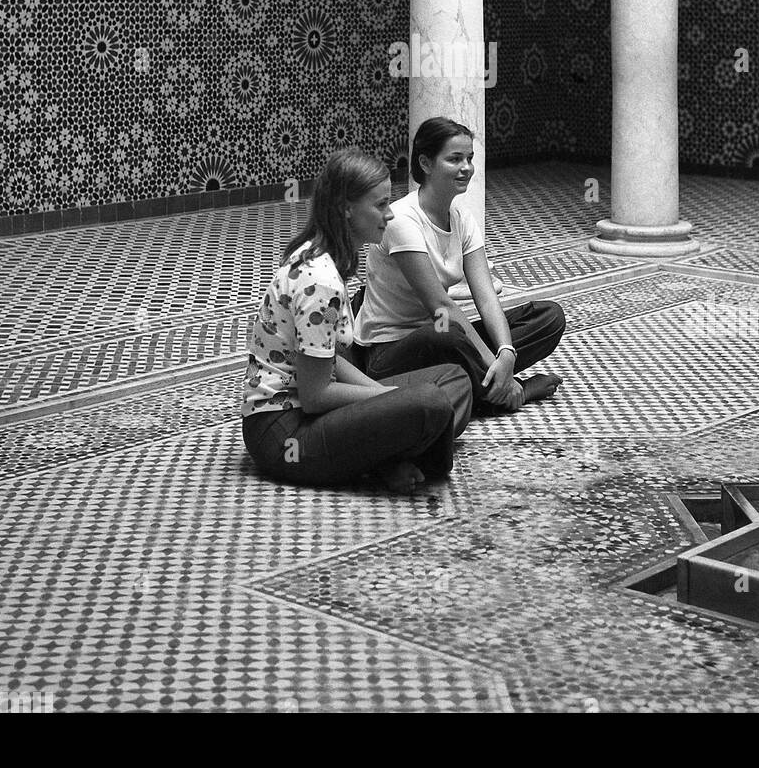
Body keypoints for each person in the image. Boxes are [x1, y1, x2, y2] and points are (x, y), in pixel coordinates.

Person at [241, 148, 472, 493]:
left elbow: (329, 360)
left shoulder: (325, 260)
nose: (390, 214)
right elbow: (316, 395)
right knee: (431, 403)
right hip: (284, 431)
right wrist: (389, 399)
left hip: (310, 412)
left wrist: (386, 398)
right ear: (346, 209)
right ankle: (387, 457)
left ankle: (385, 452)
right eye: (380, 205)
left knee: (455, 379)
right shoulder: (318, 280)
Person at [355, 117, 565, 414]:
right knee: (448, 332)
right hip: (388, 353)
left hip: (443, 341)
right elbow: (440, 305)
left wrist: (505, 352)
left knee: (549, 317)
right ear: (426, 163)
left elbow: (487, 296)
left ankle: (489, 381)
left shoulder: (461, 217)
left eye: (469, 158)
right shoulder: (402, 220)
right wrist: (493, 361)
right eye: (454, 159)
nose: (466, 167)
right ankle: (510, 393)